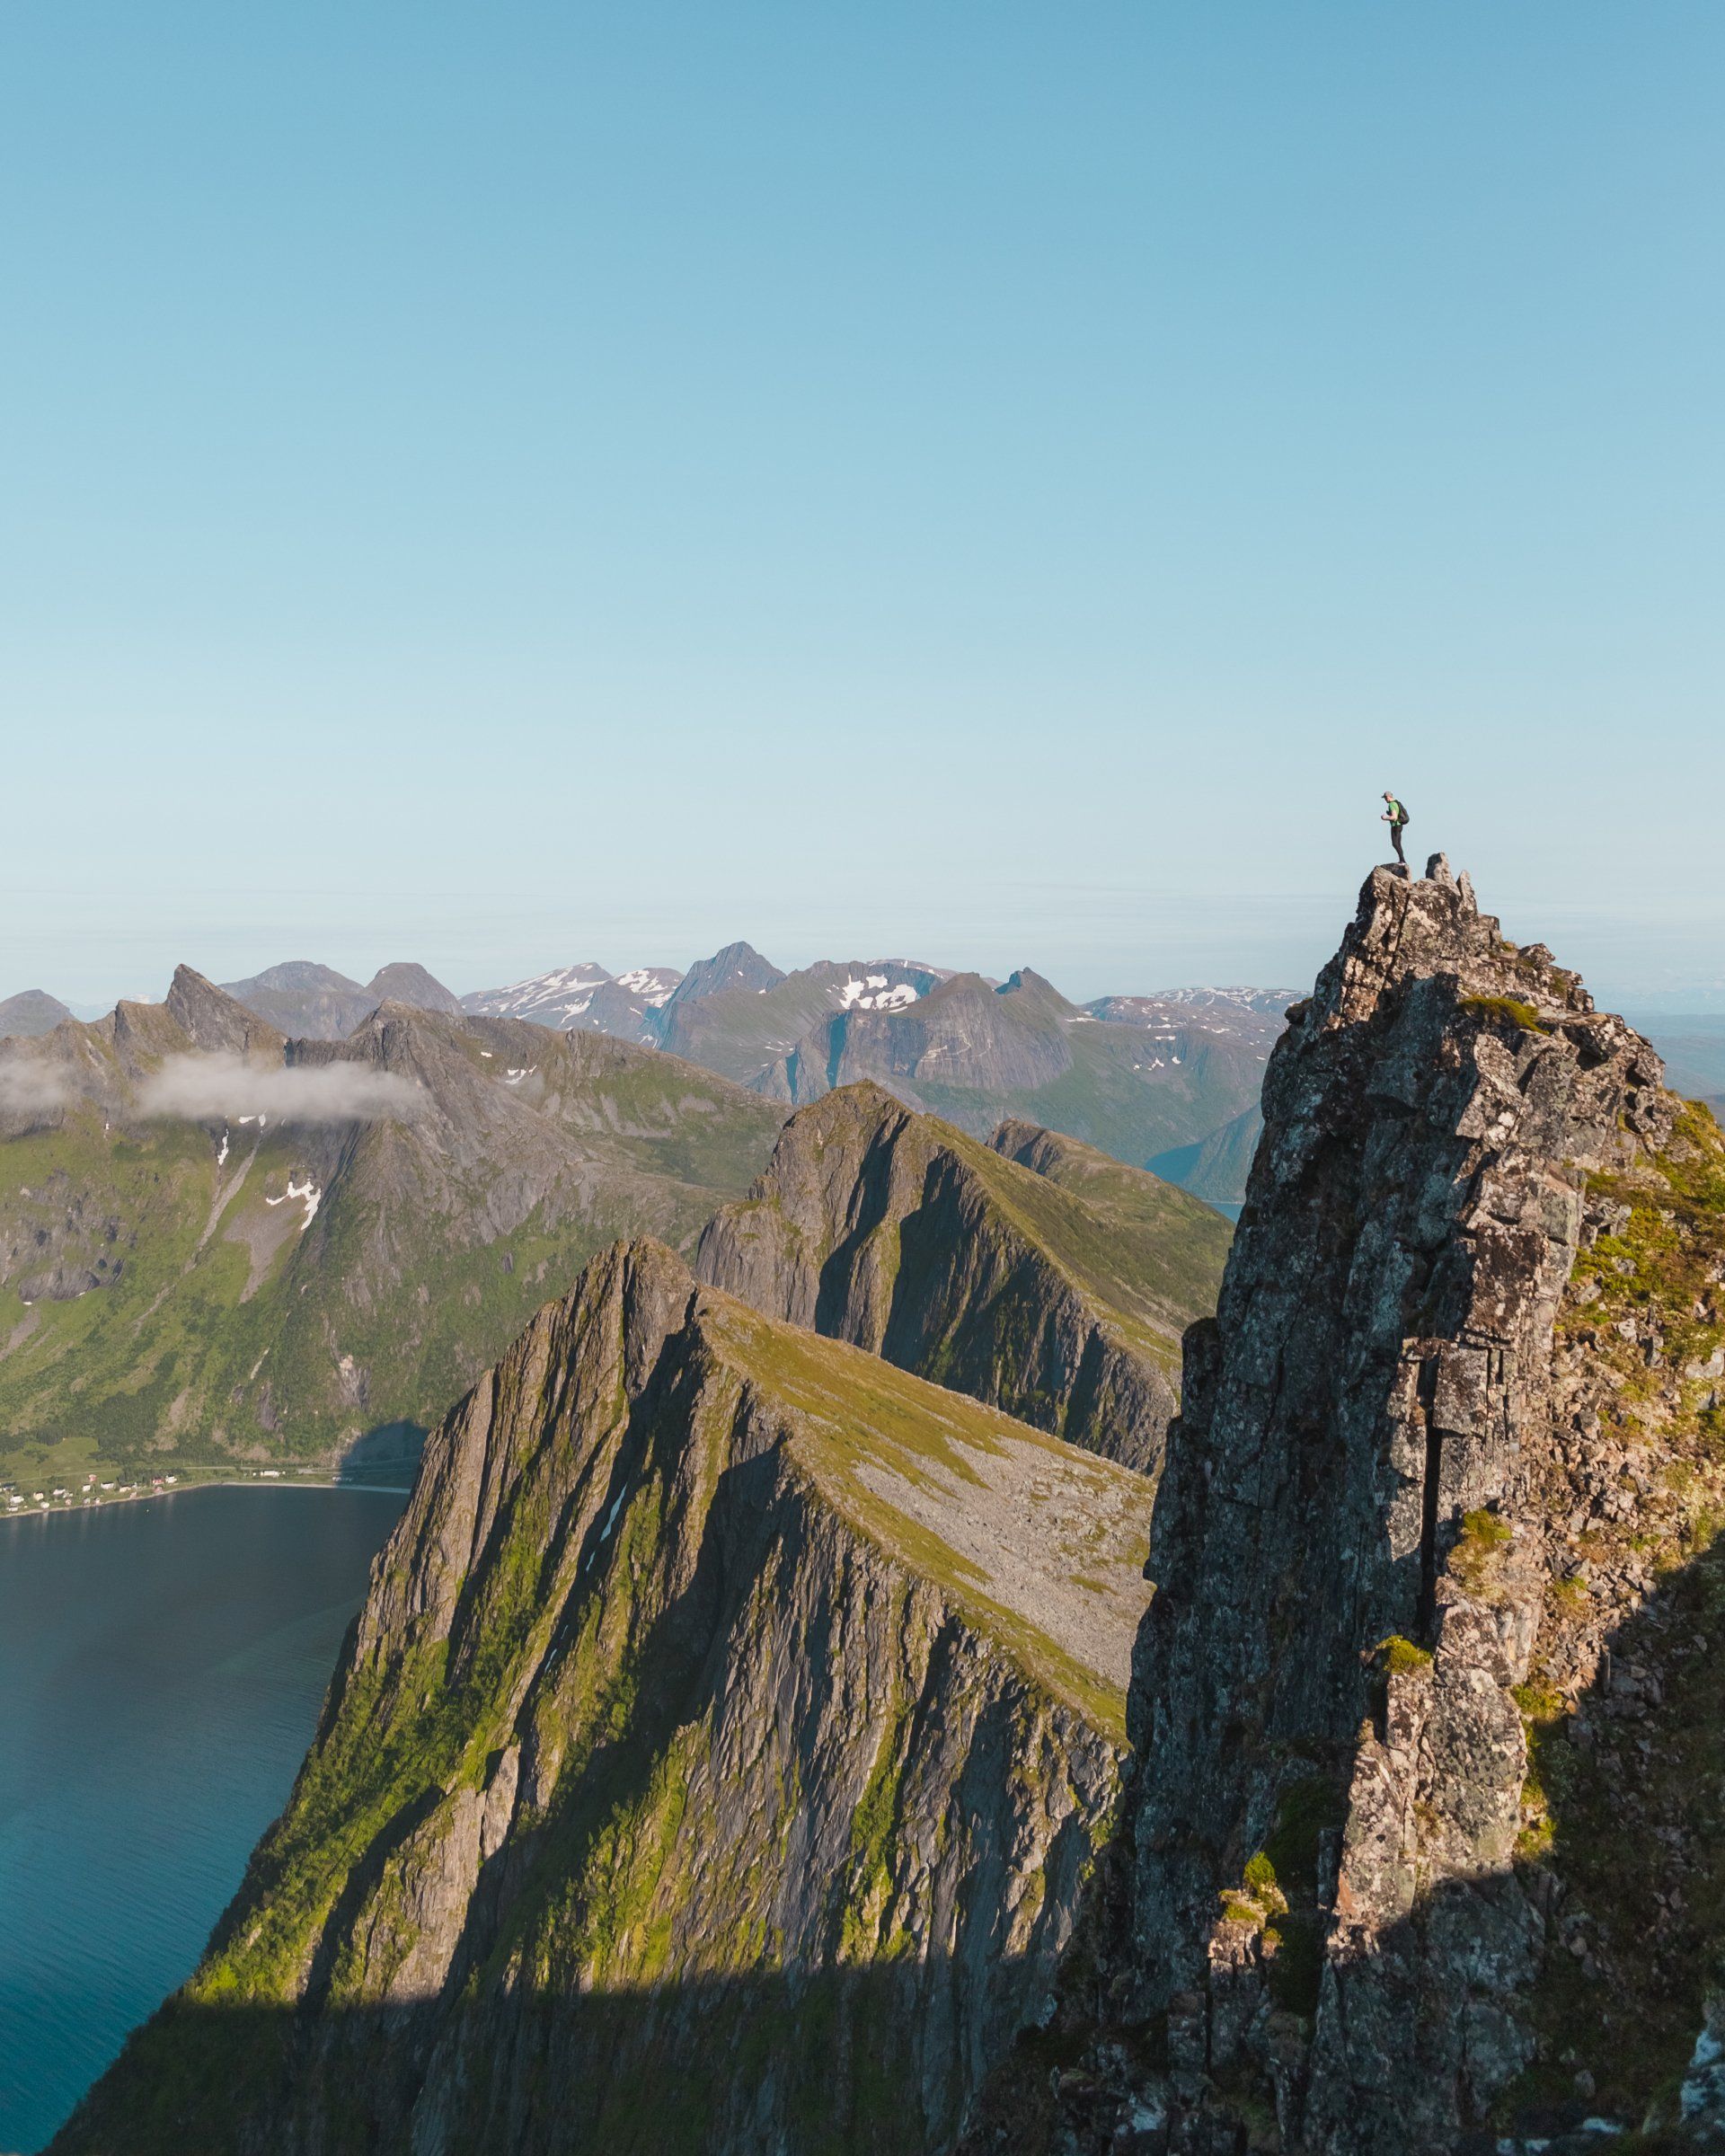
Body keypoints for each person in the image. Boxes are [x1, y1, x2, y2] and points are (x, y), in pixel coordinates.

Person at [1381, 791, 1410, 864]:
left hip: (1395, 826)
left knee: (1395, 844)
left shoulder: (1392, 804)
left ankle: (1403, 861)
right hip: (1399, 825)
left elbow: (1394, 817)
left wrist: (1385, 818)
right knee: (1398, 844)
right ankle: (1402, 861)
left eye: (1385, 798)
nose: (1385, 800)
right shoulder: (1397, 803)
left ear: (1388, 797)